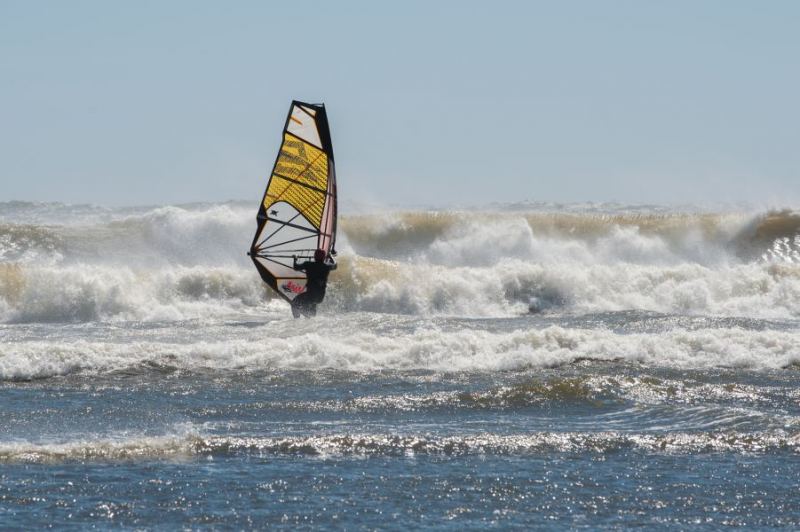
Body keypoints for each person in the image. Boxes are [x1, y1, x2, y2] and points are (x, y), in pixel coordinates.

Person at [290, 249, 337, 318]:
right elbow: (335, 265)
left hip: (310, 295)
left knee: (294, 303)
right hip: (320, 297)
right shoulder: (326, 267)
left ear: (314, 256)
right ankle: (310, 321)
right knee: (311, 310)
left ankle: (297, 322)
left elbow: (296, 267)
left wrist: (295, 258)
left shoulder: (308, 264)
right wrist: (330, 256)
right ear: (324, 258)